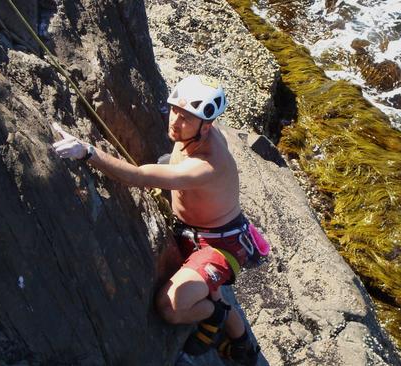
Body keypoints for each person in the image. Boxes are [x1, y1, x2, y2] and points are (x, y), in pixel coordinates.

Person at [52, 75, 263, 365]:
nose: (175, 121)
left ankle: (214, 315)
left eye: (187, 117)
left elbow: (137, 177)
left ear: (207, 125)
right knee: (212, 290)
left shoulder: (205, 166)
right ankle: (243, 345)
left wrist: (87, 152)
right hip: (200, 230)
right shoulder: (193, 135)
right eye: (174, 110)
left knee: (170, 306)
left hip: (220, 246)